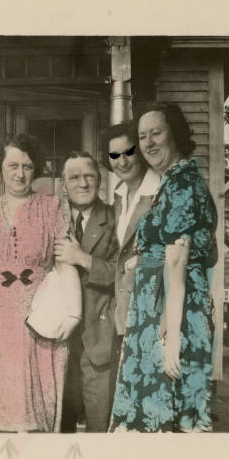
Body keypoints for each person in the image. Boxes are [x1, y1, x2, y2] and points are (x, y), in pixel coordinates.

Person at [109, 103, 218, 433]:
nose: (148, 143)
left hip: (171, 318)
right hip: (158, 315)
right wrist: (138, 261)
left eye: (156, 133)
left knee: (165, 418)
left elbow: (177, 264)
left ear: (176, 133)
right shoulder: (171, 183)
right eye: (142, 136)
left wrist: (171, 340)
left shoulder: (183, 185)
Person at [0, 133, 74, 433]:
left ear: (36, 169)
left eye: (28, 166)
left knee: (38, 405)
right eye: (12, 166)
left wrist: (73, 311)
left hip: (40, 313)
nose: (20, 173)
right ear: (0, 169)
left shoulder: (52, 207)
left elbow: (64, 262)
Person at [55, 152, 119, 433]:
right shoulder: (53, 220)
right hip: (59, 342)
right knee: (60, 428)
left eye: (89, 176)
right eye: (74, 178)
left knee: (99, 428)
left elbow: (126, 274)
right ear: (63, 185)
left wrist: (83, 259)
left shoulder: (116, 219)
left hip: (99, 341)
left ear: (99, 180)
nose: (82, 183)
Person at [101, 121, 161, 402]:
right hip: (123, 317)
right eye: (114, 156)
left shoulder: (161, 191)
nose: (122, 162)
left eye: (128, 152)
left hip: (154, 316)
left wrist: (145, 261)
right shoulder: (119, 198)